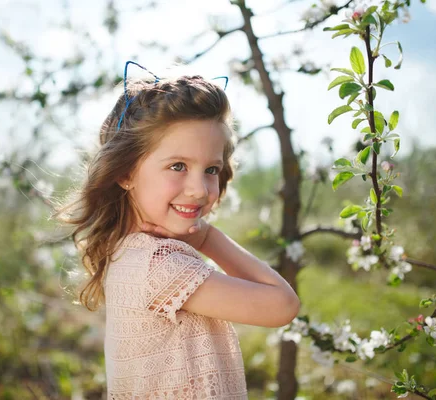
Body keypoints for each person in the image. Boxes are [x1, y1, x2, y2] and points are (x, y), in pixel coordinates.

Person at [53, 62, 300, 399]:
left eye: (211, 168)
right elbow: (283, 305)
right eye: (178, 166)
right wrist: (209, 238)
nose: (199, 189)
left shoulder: (129, 251)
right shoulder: (160, 266)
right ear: (125, 173)